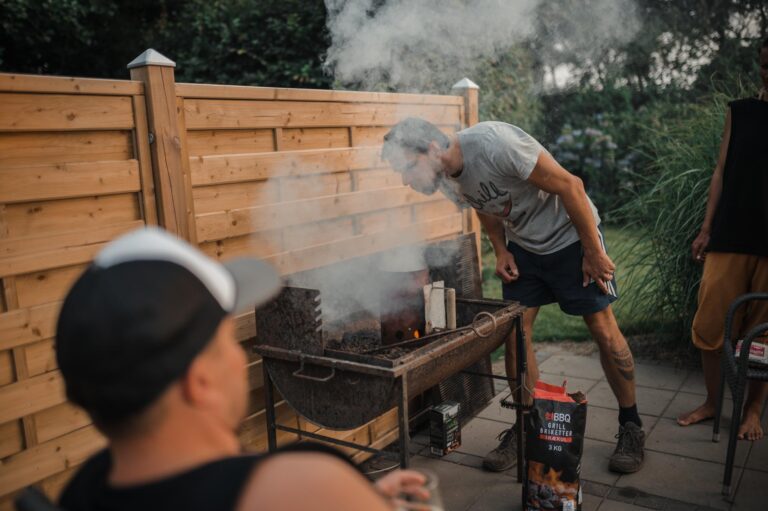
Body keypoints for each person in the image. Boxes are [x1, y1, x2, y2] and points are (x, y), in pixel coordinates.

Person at [55, 227, 427, 511]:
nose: (238, 357)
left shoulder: (81, 488)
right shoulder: (303, 487)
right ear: (198, 381)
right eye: (228, 341)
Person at [381, 117, 645, 474]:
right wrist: (501, 250)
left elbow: (571, 185)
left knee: (601, 327)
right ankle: (525, 426)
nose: (404, 180)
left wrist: (592, 251)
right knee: (516, 334)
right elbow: (481, 204)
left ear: (431, 149)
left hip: (570, 237)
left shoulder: (495, 144)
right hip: (525, 249)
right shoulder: (444, 177)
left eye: (407, 167)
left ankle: (631, 426)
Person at [676, 37, 768, 441]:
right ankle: (713, 402)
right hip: (730, 233)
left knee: (764, 333)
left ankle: (751, 411)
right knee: (711, 324)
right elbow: (720, 171)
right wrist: (706, 228)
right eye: (765, 64)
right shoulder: (741, 112)